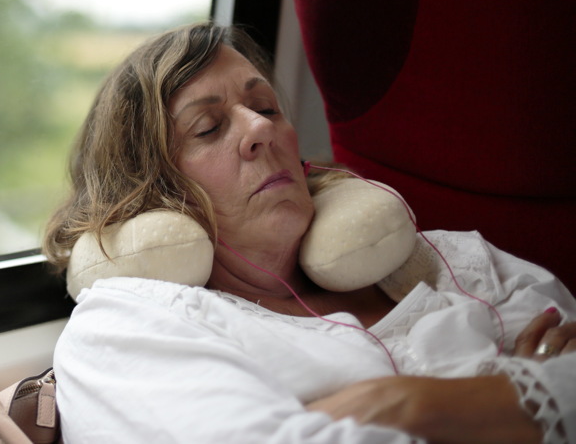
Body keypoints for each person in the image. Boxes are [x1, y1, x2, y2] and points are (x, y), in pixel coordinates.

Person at [42, 22, 576, 443]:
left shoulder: (452, 260)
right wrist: (515, 399)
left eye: (265, 107)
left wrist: (405, 406)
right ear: (151, 189)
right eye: (208, 128)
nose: (261, 127)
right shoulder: (128, 328)